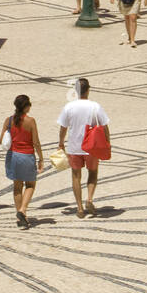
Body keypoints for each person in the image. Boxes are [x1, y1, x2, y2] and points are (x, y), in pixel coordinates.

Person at [56, 78, 111, 218]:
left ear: (75, 91)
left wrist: (61, 142)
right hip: (91, 147)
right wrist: (107, 143)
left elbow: (63, 127)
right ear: (88, 90)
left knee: (76, 176)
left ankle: (79, 208)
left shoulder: (69, 107)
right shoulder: (95, 106)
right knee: (93, 172)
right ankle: (90, 199)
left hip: (74, 147)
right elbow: (105, 126)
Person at [0, 94, 44, 229]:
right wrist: (41, 158)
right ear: (26, 106)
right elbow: (35, 142)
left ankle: (21, 219)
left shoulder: (8, 120)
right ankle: (22, 210)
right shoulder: (30, 121)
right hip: (26, 156)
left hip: (12, 156)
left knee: (17, 187)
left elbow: (1, 140)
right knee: (30, 185)